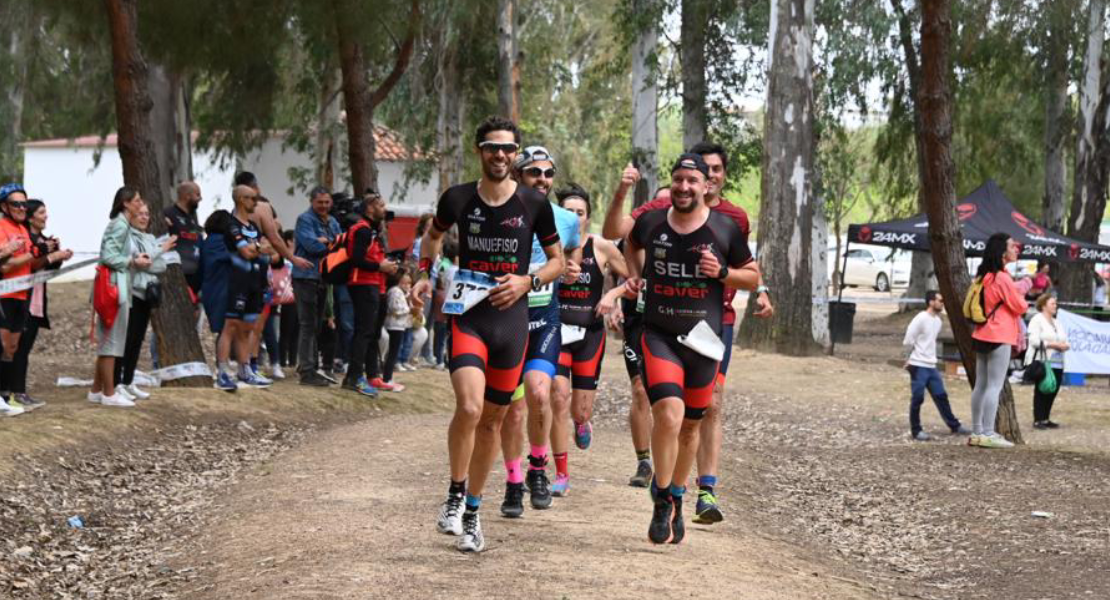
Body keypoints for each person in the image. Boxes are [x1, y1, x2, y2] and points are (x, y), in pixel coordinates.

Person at [412, 116, 564, 553]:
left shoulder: (534, 204)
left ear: (516, 156)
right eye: (491, 147)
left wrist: (527, 282)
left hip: (512, 320)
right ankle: (455, 493)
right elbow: (432, 237)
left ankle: (474, 513)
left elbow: (556, 262)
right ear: (479, 150)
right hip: (469, 314)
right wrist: (424, 275)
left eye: (507, 149)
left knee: (494, 421)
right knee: (470, 406)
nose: (500, 155)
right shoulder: (458, 198)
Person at [602, 142, 773, 525]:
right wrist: (635, 275)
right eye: (678, 179)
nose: (684, 186)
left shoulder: (727, 226)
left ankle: (680, 492)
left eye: (692, 180)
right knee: (668, 413)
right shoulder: (652, 221)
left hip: (705, 338)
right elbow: (625, 238)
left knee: (694, 421)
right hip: (659, 332)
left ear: (707, 184)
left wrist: (722, 273)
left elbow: (752, 275)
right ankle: (662, 496)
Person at [497, 145, 581, 518]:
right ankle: (513, 482)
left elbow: (571, 255)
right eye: (534, 173)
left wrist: (572, 269)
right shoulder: (500, 210)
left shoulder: (566, 219)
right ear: (518, 175)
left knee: (540, 393)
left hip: (544, 319)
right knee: (513, 411)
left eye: (548, 173)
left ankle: (538, 469)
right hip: (506, 321)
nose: (543, 180)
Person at [550, 185, 628, 496]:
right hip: (555, 330)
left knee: (579, 412)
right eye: (567, 212)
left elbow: (634, 275)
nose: (573, 217)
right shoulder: (547, 246)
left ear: (588, 218)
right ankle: (560, 473)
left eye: (579, 213)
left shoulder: (602, 246)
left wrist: (613, 294)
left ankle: (583, 423)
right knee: (557, 396)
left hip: (590, 335)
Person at [7, 199, 72, 412]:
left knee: (23, 349)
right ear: (31, 216)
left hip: (36, 300)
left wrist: (59, 257)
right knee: (16, 349)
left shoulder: (43, 240)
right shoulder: (26, 239)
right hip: (20, 298)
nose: (46, 216)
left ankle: (19, 392)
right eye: (42, 212)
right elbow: (31, 264)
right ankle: (13, 393)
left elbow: (46, 269)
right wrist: (50, 254)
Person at [89, 187, 150, 407]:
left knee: (111, 340)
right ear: (126, 203)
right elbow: (109, 256)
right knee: (111, 344)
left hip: (118, 287)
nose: (140, 204)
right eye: (136, 200)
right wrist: (133, 262)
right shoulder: (120, 225)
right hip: (113, 290)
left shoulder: (122, 225)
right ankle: (109, 393)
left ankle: (97, 390)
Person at [968, 233, 1028, 449]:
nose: (1016, 249)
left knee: (981, 385)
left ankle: (976, 431)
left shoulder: (983, 276)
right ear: (1003, 252)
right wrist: (1022, 293)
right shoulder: (1002, 278)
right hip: (1000, 335)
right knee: (994, 386)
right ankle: (988, 432)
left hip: (981, 333)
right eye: (1013, 246)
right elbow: (1019, 306)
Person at [212, 185, 274, 391]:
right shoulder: (231, 224)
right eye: (251, 199)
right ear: (240, 199)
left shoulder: (254, 227)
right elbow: (247, 252)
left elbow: (268, 251)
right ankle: (221, 371)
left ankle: (245, 369)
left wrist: (257, 249)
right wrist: (258, 248)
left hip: (255, 282)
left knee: (248, 328)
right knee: (230, 325)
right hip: (237, 281)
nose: (255, 203)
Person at [114, 204, 175, 400]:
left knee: (137, 340)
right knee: (127, 339)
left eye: (147, 214)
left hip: (147, 295)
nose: (144, 217)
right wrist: (161, 249)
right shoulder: (128, 236)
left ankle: (129, 380)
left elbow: (158, 265)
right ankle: (117, 382)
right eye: (139, 214)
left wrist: (152, 257)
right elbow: (143, 261)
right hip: (132, 293)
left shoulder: (149, 238)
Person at [341, 190, 397, 397]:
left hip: (374, 284)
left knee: (371, 332)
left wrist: (386, 267)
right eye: (381, 206)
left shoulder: (372, 230)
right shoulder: (362, 230)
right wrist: (379, 266)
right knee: (363, 331)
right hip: (362, 284)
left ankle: (371, 375)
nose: (385, 210)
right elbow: (355, 259)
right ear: (370, 208)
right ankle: (353, 377)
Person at [902, 290, 969, 441]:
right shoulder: (920, 318)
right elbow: (908, 340)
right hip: (918, 365)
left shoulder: (938, 321)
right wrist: (908, 359)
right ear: (931, 302)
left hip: (931, 365)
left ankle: (954, 425)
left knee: (941, 395)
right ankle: (916, 430)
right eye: (940, 300)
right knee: (918, 397)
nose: (942, 303)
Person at [293, 186, 342, 386]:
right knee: (307, 325)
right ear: (312, 201)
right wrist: (330, 244)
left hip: (323, 278)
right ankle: (306, 371)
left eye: (326, 202)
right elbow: (312, 246)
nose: (323, 206)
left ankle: (311, 367)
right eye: (320, 202)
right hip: (305, 277)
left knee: (316, 327)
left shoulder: (333, 221)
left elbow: (342, 244)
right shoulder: (305, 219)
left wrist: (326, 242)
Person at [1026, 294, 1068, 429]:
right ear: (1044, 305)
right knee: (1042, 389)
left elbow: (1063, 339)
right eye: (1052, 303)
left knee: (1053, 389)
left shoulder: (1057, 322)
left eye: (1055, 303)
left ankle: (1046, 418)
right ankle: (1038, 419)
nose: (1055, 306)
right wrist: (1052, 344)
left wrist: (1065, 345)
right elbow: (1033, 340)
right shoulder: (1036, 320)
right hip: (1042, 360)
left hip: (1058, 361)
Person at [163, 181, 204, 296]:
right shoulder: (168, 214)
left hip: (194, 277)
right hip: (178, 276)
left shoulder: (192, 217)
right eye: (198, 195)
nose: (201, 198)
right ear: (187, 196)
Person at [383, 269, 414, 386]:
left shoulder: (402, 292)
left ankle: (388, 377)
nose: (407, 286)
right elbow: (395, 308)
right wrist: (409, 309)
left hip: (400, 325)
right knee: (392, 353)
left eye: (409, 283)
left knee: (394, 353)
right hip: (394, 325)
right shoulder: (395, 291)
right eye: (404, 283)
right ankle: (387, 378)